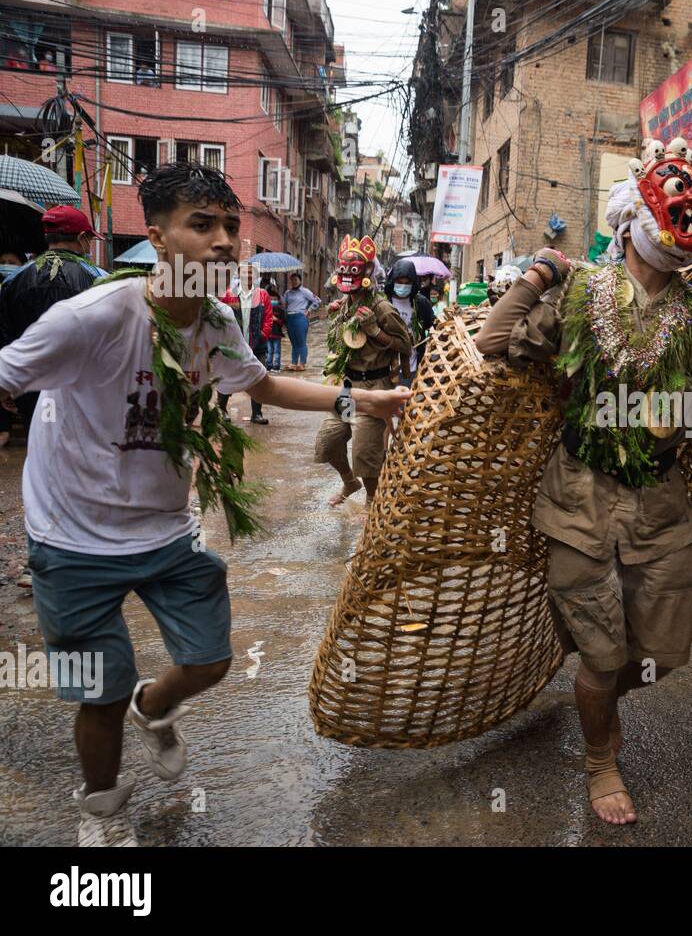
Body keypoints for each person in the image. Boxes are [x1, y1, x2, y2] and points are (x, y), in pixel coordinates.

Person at [0, 162, 409, 846]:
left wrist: (363, 398)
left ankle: (154, 706)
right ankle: (100, 809)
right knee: (96, 691)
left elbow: (262, 385)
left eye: (229, 227)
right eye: (202, 225)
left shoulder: (217, 321)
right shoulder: (93, 315)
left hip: (164, 529)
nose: (223, 241)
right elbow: (8, 373)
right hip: (69, 538)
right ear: (158, 238)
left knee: (211, 658)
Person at [474, 135, 692, 826]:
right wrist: (537, 276)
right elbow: (493, 343)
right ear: (634, 217)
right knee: (602, 658)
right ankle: (599, 758)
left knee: (662, 654)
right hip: (578, 498)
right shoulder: (582, 290)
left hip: (661, 506)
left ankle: (601, 703)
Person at [315, 235, 413, 507]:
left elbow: (406, 345)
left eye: (353, 269)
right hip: (346, 389)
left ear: (367, 271)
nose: (346, 274)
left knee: (365, 455)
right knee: (329, 441)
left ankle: (373, 500)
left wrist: (375, 331)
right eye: (343, 269)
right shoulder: (343, 305)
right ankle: (349, 482)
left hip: (373, 390)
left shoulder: (382, 308)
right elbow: (336, 346)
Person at [0, 206, 104, 443]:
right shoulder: (99, 278)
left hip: (30, 383)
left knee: (39, 443)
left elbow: (4, 336)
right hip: (82, 384)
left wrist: (8, 382)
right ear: (81, 238)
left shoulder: (13, 280)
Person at [217, 271, 273, 424]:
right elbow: (220, 315)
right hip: (235, 344)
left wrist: (263, 334)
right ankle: (221, 409)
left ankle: (257, 413)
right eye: (245, 274)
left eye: (251, 274)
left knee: (260, 377)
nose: (248, 277)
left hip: (257, 344)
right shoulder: (229, 295)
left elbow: (268, 317)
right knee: (227, 375)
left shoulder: (263, 295)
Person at [384, 257, 436, 384]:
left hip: (411, 367)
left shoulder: (421, 303)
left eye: (407, 283)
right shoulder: (383, 302)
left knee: (405, 402)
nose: (403, 286)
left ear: (413, 283)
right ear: (392, 281)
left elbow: (432, 327)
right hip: (384, 366)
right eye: (399, 282)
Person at [282, 271, 320, 371]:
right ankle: (294, 363)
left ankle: (302, 363)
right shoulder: (287, 293)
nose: (294, 282)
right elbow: (283, 304)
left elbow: (317, 301)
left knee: (301, 342)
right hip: (290, 319)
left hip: (300, 318)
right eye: (292, 280)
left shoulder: (305, 291)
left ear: (300, 280)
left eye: (296, 280)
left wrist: (309, 310)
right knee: (294, 343)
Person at [265, 280, 285, 372]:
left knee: (277, 350)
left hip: (277, 334)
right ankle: (268, 365)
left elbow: (283, 322)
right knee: (269, 350)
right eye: (270, 299)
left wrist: (276, 320)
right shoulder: (266, 310)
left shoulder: (280, 311)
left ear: (278, 300)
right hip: (268, 334)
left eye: (274, 299)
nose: (273, 301)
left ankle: (276, 366)